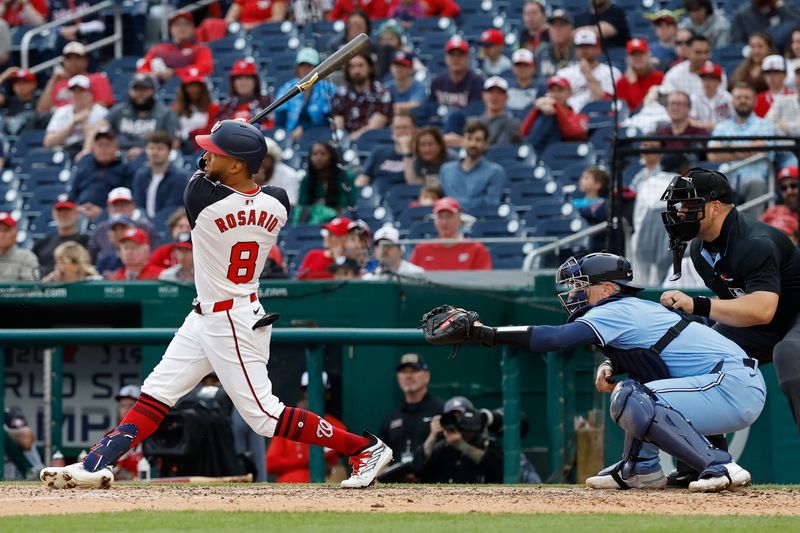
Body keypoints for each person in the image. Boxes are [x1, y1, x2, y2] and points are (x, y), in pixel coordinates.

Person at [40, 119, 394, 490]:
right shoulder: (278, 202)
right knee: (157, 392)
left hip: (232, 321)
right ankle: (96, 461)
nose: (207, 155)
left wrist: (234, 143)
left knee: (264, 416)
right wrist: (236, 146)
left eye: (217, 152)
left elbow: (201, 171)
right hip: (209, 314)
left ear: (238, 164)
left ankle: (365, 449)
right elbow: (243, 180)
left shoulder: (202, 200)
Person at [422, 252, 765, 492]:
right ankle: (641, 470)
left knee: (632, 396)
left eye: (581, 284)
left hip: (729, 384)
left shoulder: (615, 308)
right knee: (639, 387)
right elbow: (651, 355)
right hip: (725, 384)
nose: (574, 293)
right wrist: (613, 363)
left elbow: (557, 339)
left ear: (606, 288)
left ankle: (719, 464)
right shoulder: (628, 309)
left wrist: (486, 333)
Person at [660, 168, 800, 481]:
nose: (681, 212)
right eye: (679, 205)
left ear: (716, 206)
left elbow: (763, 309)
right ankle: (707, 460)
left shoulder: (755, 242)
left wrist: (699, 305)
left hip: (792, 315)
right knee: (697, 356)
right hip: (767, 324)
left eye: (689, 204)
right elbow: (744, 305)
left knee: (790, 354)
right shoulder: (699, 250)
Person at [266, 371, 348, 483]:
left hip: (323, 488)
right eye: (307, 390)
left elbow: (330, 460)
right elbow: (271, 464)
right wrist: (306, 462)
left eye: (318, 390)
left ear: (327, 394)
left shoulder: (337, 427)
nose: (311, 394)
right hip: (286, 487)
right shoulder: (289, 423)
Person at [708, 82, 776, 203]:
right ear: (732, 101)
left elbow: (762, 149)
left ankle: (753, 223)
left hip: (753, 178)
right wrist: (749, 149)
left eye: (747, 98)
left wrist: (729, 148)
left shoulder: (765, 125)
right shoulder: (722, 126)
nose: (742, 101)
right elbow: (712, 155)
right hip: (726, 178)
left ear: (755, 102)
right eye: (738, 98)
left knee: (756, 182)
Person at [379, 353, 443, 480]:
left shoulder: (440, 410)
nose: (408, 376)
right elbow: (382, 459)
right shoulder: (391, 417)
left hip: (433, 487)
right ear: (398, 377)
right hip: (396, 490)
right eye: (403, 372)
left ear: (426, 376)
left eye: (414, 371)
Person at [413, 395, 503, 484]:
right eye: (452, 418)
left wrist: (462, 446)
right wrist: (432, 436)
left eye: (461, 418)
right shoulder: (441, 447)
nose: (457, 423)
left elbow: (498, 469)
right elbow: (418, 470)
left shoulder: (485, 444)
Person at [103, 74, 181, 160]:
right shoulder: (119, 110)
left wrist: (145, 152)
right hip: (120, 157)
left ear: (153, 91)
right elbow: (99, 129)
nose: (140, 93)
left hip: (152, 158)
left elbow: (175, 142)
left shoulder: (166, 113)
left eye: (144, 90)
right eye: (136, 89)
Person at [438, 120, 505, 213]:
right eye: (469, 139)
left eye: (478, 140)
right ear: (462, 141)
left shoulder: (495, 171)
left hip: (479, 222)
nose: (473, 144)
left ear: (486, 144)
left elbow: (491, 205)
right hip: (449, 220)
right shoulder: (446, 170)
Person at [409, 197, 492, 271]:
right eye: (440, 217)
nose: (444, 222)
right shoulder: (422, 249)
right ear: (435, 220)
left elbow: (484, 281)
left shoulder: (476, 249)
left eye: (449, 216)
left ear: (459, 219)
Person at [68, 128, 132, 221]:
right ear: (93, 148)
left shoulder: (125, 169)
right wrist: (77, 210)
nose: (103, 149)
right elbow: (72, 194)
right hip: (80, 214)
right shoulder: (85, 165)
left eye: (107, 145)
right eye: (99, 145)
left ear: (116, 147)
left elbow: (127, 199)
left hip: (112, 218)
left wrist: (104, 213)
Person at [274, 48, 334, 142]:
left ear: (317, 68)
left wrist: (304, 128)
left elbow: (328, 119)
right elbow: (280, 119)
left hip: (320, 137)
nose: (306, 69)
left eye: (310, 65)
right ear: (297, 68)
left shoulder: (328, 89)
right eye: (302, 65)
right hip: (289, 137)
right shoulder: (287, 89)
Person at [36, 41, 114, 113]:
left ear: (86, 60)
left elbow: (102, 105)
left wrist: (74, 116)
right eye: (68, 58)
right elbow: (42, 110)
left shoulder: (98, 78)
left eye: (77, 57)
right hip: (60, 122)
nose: (73, 62)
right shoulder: (59, 83)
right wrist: (53, 80)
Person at [86, 187, 159, 263]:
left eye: (124, 204)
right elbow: (90, 255)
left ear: (133, 206)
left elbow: (155, 254)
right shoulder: (101, 229)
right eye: (115, 205)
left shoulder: (146, 227)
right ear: (109, 208)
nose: (120, 208)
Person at [519, 75, 589, 154]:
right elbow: (523, 132)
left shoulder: (581, 117)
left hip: (565, 155)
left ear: (569, 93)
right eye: (552, 91)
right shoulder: (543, 112)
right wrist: (536, 109)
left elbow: (572, 133)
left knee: (550, 118)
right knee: (546, 117)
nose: (556, 94)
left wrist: (556, 106)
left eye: (560, 90)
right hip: (540, 151)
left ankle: (526, 151)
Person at [556, 29, 621, 114]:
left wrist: (588, 74)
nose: (584, 50)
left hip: (600, 118)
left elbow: (606, 102)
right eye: (580, 46)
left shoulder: (612, 72)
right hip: (571, 118)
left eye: (588, 46)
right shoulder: (564, 74)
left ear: (598, 49)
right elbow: (556, 100)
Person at [137, 11, 213, 83]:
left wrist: (174, 72)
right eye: (177, 24)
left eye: (186, 24)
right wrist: (154, 75)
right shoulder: (158, 49)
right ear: (171, 29)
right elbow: (142, 69)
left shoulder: (200, 48)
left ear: (193, 28)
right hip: (160, 88)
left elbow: (205, 69)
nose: (182, 28)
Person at [332, 52, 392, 142]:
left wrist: (348, 140)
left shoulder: (382, 93)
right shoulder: (341, 93)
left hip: (372, 141)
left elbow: (374, 127)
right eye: (352, 66)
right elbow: (338, 123)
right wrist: (340, 138)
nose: (356, 71)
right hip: (345, 143)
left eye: (361, 66)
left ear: (370, 68)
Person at [44, 75, 108, 157]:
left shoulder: (101, 112)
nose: (77, 95)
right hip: (65, 151)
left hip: (92, 154)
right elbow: (48, 142)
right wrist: (72, 123)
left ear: (91, 93)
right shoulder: (62, 112)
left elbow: (102, 142)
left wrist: (85, 122)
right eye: (73, 91)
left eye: (81, 91)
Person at [131, 130, 187, 219]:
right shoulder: (140, 175)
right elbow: (138, 205)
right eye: (151, 148)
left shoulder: (179, 177)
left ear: (169, 151)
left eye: (160, 148)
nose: (155, 152)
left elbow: (172, 208)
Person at [296, 142, 356, 221]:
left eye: (323, 154)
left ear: (332, 156)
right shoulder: (306, 179)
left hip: (339, 220)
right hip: (312, 220)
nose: (318, 158)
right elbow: (302, 206)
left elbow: (346, 206)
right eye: (315, 154)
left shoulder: (345, 177)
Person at [356, 112, 416, 189]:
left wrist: (407, 151)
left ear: (414, 129)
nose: (401, 131)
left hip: (406, 197)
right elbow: (363, 178)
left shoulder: (421, 153)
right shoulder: (379, 151)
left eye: (405, 127)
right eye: (397, 128)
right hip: (377, 198)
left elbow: (413, 184)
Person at [32, 196, 90, 276]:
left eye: (68, 210)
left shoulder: (87, 241)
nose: (64, 214)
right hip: (45, 285)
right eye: (60, 210)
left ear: (77, 214)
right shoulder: (42, 243)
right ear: (53, 214)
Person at [663, 35, 726, 102]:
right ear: (688, 51)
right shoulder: (674, 74)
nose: (703, 57)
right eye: (698, 52)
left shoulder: (717, 73)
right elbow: (669, 102)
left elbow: (720, 101)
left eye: (706, 52)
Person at [429, 36, 484, 112]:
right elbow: (431, 110)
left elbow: (475, 113)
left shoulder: (477, 82)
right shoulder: (437, 82)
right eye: (452, 55)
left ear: (468, 58)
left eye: (460, 55)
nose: (456, 59)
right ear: (446, 58)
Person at [653, 91, 709, 161]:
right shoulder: (661, 133)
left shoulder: (699, 133)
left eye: (679, 104)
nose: (675, 107)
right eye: (672, 104)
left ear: (689, 108)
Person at [215, 58, 273, 125]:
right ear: (233, 82)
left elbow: (270, 128)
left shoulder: (266, 103)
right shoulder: (225, 107)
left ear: (255, 81)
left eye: (247, 77)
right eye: (239, 78)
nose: (243, 82)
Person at [173, 68, 219, 150]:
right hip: (182, 147)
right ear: (184, 89)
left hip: (204, 147)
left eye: (197, 85)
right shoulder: (175, 108)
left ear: (203, 88)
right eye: (190, 86)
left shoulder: (213, 108)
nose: (194, 89)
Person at [615, 39, 664, 111]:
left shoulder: (659, 77)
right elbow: (624, 111)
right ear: (628, 59)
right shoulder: (622, 82)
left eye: (641, 54)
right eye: (634, 55)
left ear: (648, 56)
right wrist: (633, 83)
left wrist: (633, 84)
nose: (638, 58)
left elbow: (644, 108)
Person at [110, 385, 144, 481]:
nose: (126, 410)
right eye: (122, 406)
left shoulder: (151, 436)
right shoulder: (112, 437)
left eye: (131, 406)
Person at [254, 137, 301, 206]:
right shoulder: (251, 172)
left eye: (265, 156)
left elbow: (290, 203)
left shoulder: (288, 174)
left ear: (272, 158)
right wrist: (255, 184)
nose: (261, 160)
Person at [729, 0, 800, 45]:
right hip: (754, 54)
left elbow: (797, 22)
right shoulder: (742, 14)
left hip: (784, 53)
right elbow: (736, 42)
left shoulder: (785, 7)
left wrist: (780, 6)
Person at [1, 67, 48, 134]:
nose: (18, 86)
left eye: (23, 82)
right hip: (10, 140)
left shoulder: (40, 100)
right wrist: (3, 76)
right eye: (16, 82)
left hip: (32, 140)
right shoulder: (9, 101)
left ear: (33, 84)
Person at [690, 62, 734, 131]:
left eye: (711, 79)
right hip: (700, 134)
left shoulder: (727, 98)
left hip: (724, 133)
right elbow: (690, 120)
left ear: (719, 81)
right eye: (705, 79)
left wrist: (718, 126)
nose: (707, 82)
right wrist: (708, 125)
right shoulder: (695, 97)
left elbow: (735, 119)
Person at [534, 10, 577, 82]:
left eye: (562, 25)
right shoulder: (540, 52)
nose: (557, 30)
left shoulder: (581, 51)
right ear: (549, 30)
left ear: (571, 28)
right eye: (553, 26)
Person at [3, 407, 44, 481]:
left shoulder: (8, 415)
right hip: (7, 482)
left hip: (33, 475)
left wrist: (4, 432)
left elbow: (27, 437)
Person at [0, 212, 38, 281]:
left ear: (15, 234)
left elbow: (32, 289)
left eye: (6, 230)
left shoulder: (26, 257)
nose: (1, 234)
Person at [766, 62, 800, 135]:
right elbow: (767, 126)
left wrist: (788, 127)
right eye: (798, 74)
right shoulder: (782, 100)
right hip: (785, 146)